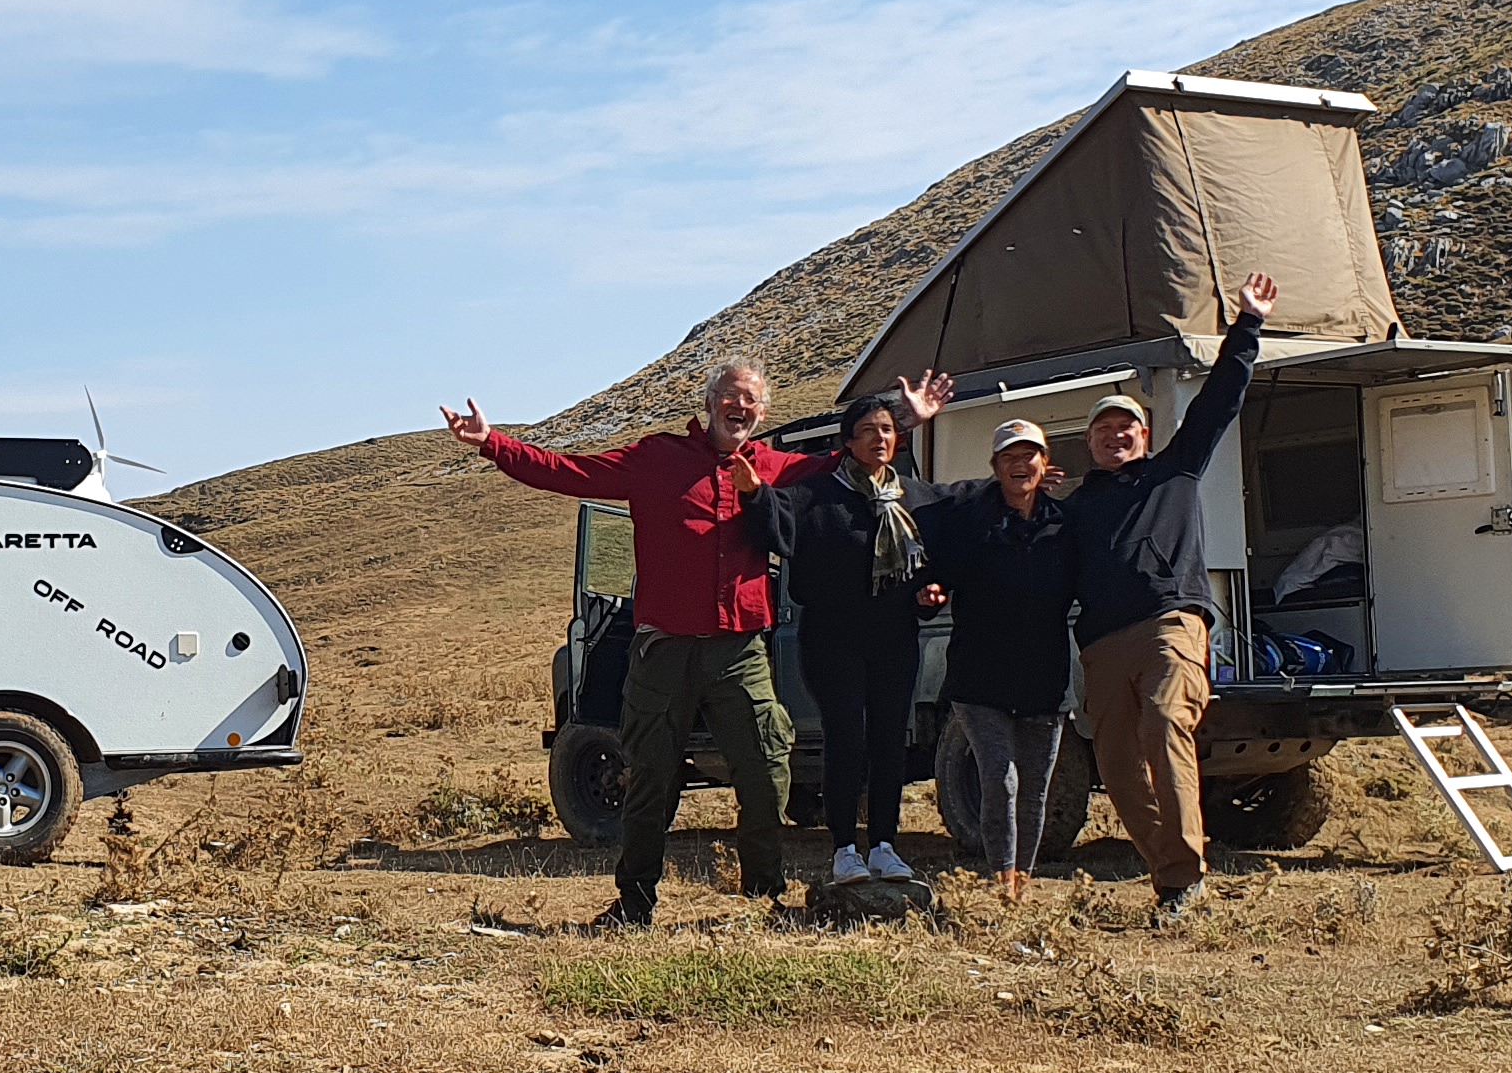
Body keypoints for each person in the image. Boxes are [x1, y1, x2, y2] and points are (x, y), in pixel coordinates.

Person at [440, 359, 929, 925]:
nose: (739, 407)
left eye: (750, 400)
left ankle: (763, 900)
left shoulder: (774, 466)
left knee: (767, 773)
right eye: (730, 396)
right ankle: (635, 904)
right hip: (664, 651)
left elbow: (852, 457)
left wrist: (904, 418)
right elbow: (570, 472)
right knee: (649, 780)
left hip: (739, 651)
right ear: (710, 402)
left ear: (762, 412)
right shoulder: (656, 459)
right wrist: (492, 443)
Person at [1065, 273, 1280, 918]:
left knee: (1164, 724)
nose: (1116, 435)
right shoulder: (1073, 508)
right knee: (1116, 763)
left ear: (1147, 434)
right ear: (1089, 442)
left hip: (1169, 625)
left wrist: (1247, 325)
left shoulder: (1175, 471)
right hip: (1102, 644)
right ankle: (1172, 879)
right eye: (1104, 429)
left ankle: (1185, 874)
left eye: (1126, 426)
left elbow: (1221, 399)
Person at [729, 391, 950, 890]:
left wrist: (931, 593)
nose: (879, 439)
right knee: (846, 739)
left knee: (889, 740)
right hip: (832, 641)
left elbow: (938, 552)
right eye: (868, 430)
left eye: (887, 430)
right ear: (848, 441)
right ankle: (845, 849)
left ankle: (886, 845)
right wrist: (753, 493)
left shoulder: (914, 498)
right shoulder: (816, 495)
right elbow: (774, 519)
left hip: (894, 639)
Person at [911, 417, 1073, 903]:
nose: (1020, 465)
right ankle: (1002, 881)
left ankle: (1022, 884)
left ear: (1045, 463)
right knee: (1000, 780)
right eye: (1009, 457)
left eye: (1029, 456)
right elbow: (935, 576)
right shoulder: (969, 522)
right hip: (979, 677)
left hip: (1045, 677)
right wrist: (930, 593)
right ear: (995, 467)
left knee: (1036, 788)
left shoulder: (1068, 524)